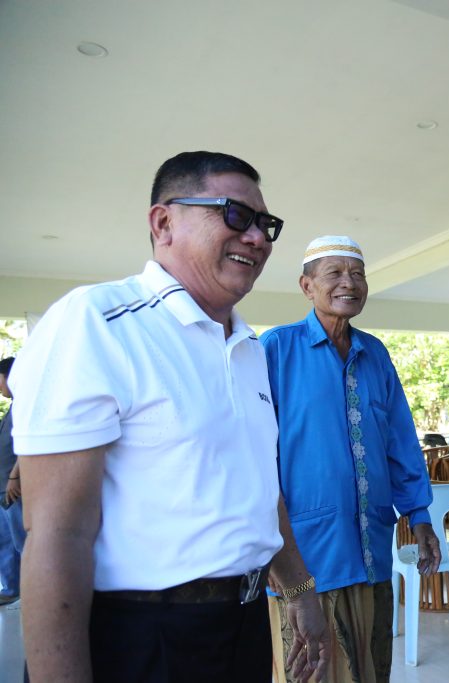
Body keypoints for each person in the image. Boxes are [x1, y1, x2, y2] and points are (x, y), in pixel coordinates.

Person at [9, 151, 330, 682]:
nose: (258, 238)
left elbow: (257, 487)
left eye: (266, 224)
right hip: (142, 638)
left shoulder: (248, 346)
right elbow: (56, 536)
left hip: (242, 626)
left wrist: (298, 590)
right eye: (235, 214)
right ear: (163, 222)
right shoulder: (97, 323)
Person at [261, 235, 441, 683]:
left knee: (370, 671)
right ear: (307, 286)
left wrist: (419, 515)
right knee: (313, 671)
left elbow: (400, 441)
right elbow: (254, 455)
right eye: (335, 274)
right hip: (305, 556)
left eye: (357, 274)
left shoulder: (374, 354)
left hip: (370, 548)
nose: (349, 283)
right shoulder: (276, 350)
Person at [0, 356, 23, 607]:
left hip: (15, 487)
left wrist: (15, 477)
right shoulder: (13, 407)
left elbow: (25, 448)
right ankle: (10, 588)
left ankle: (32, 594)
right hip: (3, 488)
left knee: (22, 543)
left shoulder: (25, 405)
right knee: (5, 541)